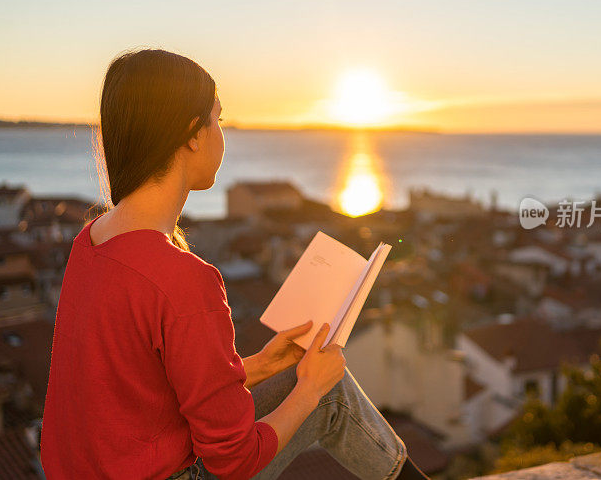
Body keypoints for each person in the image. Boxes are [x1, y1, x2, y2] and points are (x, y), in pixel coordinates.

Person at [39, 48, 431, 480]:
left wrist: (261, 365)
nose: (221, 134)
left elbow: (143, 395)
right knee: (331, 392)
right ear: (193, 133)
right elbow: (235, 461)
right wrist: (311, 390)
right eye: (218, 120)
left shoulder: (90, 242)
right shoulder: (184, 280)